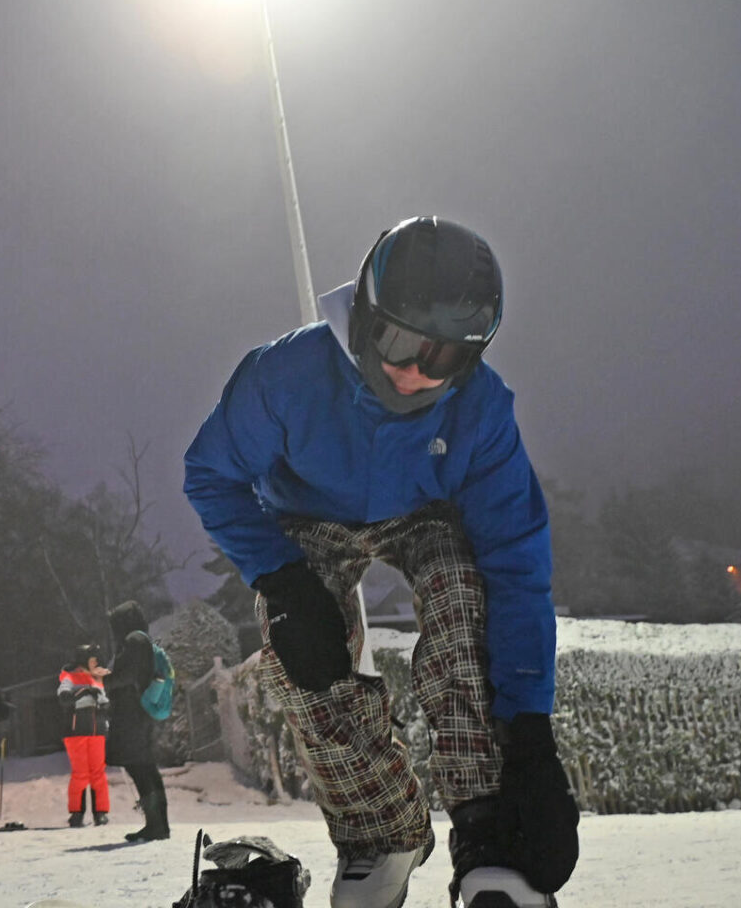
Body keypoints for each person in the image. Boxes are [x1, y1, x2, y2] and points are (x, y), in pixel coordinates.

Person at [184, 217, 578, 908]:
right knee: (300, 646)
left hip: (427, 512)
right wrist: (278, 577)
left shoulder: (481, 411)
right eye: (399, 340)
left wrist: (532, 732)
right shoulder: (284, 377)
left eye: (447, 357)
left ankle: (486, 828)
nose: (416, 371)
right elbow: (211, 475)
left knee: (463, 595)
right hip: (308, 517)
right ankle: (381, 830)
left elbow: (516, 564)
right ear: (365, 313)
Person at [104, 600, 170, 842]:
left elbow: (129, 675)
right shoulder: (140, 639)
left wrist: (105, 682)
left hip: (132, 715)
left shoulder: (134, 641)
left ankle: (156, 825)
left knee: (140, 768)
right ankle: (158, 824)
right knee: (144, 767)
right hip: (139, 713)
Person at [56, 644, 112, 827]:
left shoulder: (97, 678)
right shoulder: (69, 676)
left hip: (97, 730)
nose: (95, 662)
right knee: (81, 773)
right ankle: (77, 813)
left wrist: (103, 703)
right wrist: (83, 692)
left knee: (98, 772)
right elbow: (64, 697)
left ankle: (101, 812)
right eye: (92, 659)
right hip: (76, 729)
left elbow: (104, 700)